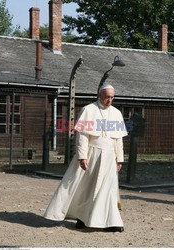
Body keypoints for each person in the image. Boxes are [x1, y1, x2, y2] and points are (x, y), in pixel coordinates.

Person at [44, 83, 128, 232]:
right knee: (86, 187)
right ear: (100, 95)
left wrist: (120, 159)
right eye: (107, 97)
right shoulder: (89, 110)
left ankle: (111, 221)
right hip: (92, 154)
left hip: (109, 156)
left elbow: (118, 139)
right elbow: (82, 136)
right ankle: (82, 217)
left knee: (108, 189)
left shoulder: (116, 113)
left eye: (112, 97)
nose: (110, 100)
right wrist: (82, 156)